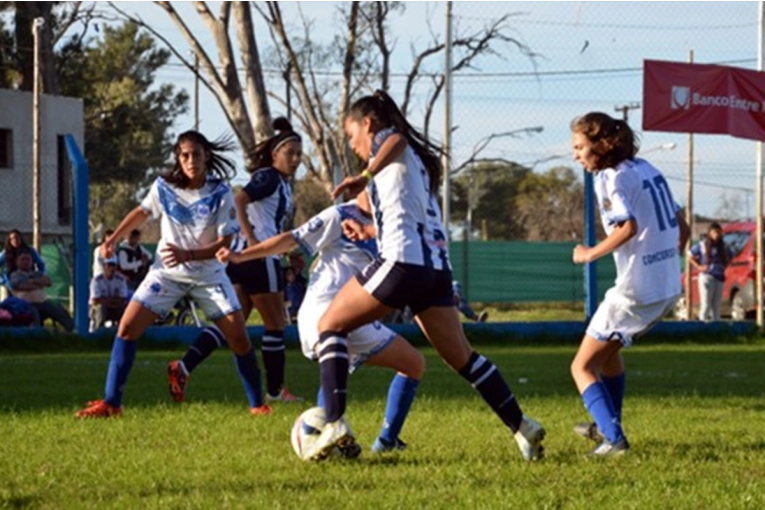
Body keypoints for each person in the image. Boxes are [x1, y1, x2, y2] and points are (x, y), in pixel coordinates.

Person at [304, 90, 546, 462]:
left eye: (352, 135)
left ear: (368, 124)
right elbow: (406, 216)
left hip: (402, 264)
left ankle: (334, 423)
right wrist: (369, 232)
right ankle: (521, 427)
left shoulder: (388, 142)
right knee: (462, 358)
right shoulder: (410, 165)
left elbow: (395, 138)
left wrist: (363, 174)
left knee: (330, 324)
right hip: (435, 271)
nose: (353, 146)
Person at [75, 130, 271, 418]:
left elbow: (225, 244)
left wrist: (188, 255)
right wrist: (114, 238)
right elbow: (141, 213)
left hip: (209, 275)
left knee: (239, 338)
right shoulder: (163, 186)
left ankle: (258, 406)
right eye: (185, 155)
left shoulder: (220, 192)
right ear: (178, 159)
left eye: (196, 154)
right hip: (166, 274)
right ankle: (111, 404)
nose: (191, 160)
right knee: (127, 328)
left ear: (206, 155)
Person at [217, 195, 425, 455]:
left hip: (357, 317)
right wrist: (241, 255)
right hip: (323, 311)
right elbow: (292, 238)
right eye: (374, 186)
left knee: (413, 364)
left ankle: (381, 441)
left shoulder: (390, 224)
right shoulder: (339, 215)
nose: (382, 192)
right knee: (346, 364)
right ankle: (329, 431)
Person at [569, 112, 690, 456]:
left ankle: (614, 439)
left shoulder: (609, 178)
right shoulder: (647, 168)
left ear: (602, 145)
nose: (576, 155)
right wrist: (666, 259)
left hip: (636, 289)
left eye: (580, 147)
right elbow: (682, 227)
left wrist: (589, 253)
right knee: (609, 355)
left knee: (581, 366)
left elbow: (627, 228)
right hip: (666, 284)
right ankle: (610, 424)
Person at [168, 117, 303, 405]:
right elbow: (240, 199)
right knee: (275, 325)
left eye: (299, 155)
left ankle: (184, 366)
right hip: (259, 258)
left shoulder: (280, 182)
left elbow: (265, 217)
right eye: (289, 153)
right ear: (274, 154)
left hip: (243, 259)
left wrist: (287, 251)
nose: (295, 160)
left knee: (233, 323)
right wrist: (254, 241)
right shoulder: (269, 177)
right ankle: (276, 392)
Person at [9, 251, 74, 332]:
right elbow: (23, 286)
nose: (26, 262)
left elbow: (48, 282)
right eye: (23, 259)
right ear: (17, 261)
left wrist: (31, 281)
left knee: (57, 309)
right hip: (24, 304)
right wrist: (39, 284)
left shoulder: (36, 274)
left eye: (28, 259)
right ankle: (37, 334)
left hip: (42, 302)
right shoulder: (15, 275)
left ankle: (71, 330)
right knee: (34, 313)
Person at [688, 222, 731, 322]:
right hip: (707, 276)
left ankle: (716, 327)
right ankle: (702, 325)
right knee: (706, 303)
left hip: (719, 277)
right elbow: (689, 255)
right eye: (715, 232)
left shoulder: (723, 246)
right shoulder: (702, 245)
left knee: (716, 305)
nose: (717, 235)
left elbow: (730, 256)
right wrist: (698, 266)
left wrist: (724, 266)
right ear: (710, 233)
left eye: (719, 232)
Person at [89, 256, 129, 330]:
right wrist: (113, 300)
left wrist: (105, 300)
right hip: (99, 309)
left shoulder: (120, 279)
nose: (111, 268)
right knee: (101, 308)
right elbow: (95, 300)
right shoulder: (96, 280)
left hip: (115, 307)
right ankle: (98, 331)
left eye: (113, 265)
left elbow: (123, 299)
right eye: (108, 265)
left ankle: (121, 332)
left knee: (124, 309)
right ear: (104, 266)